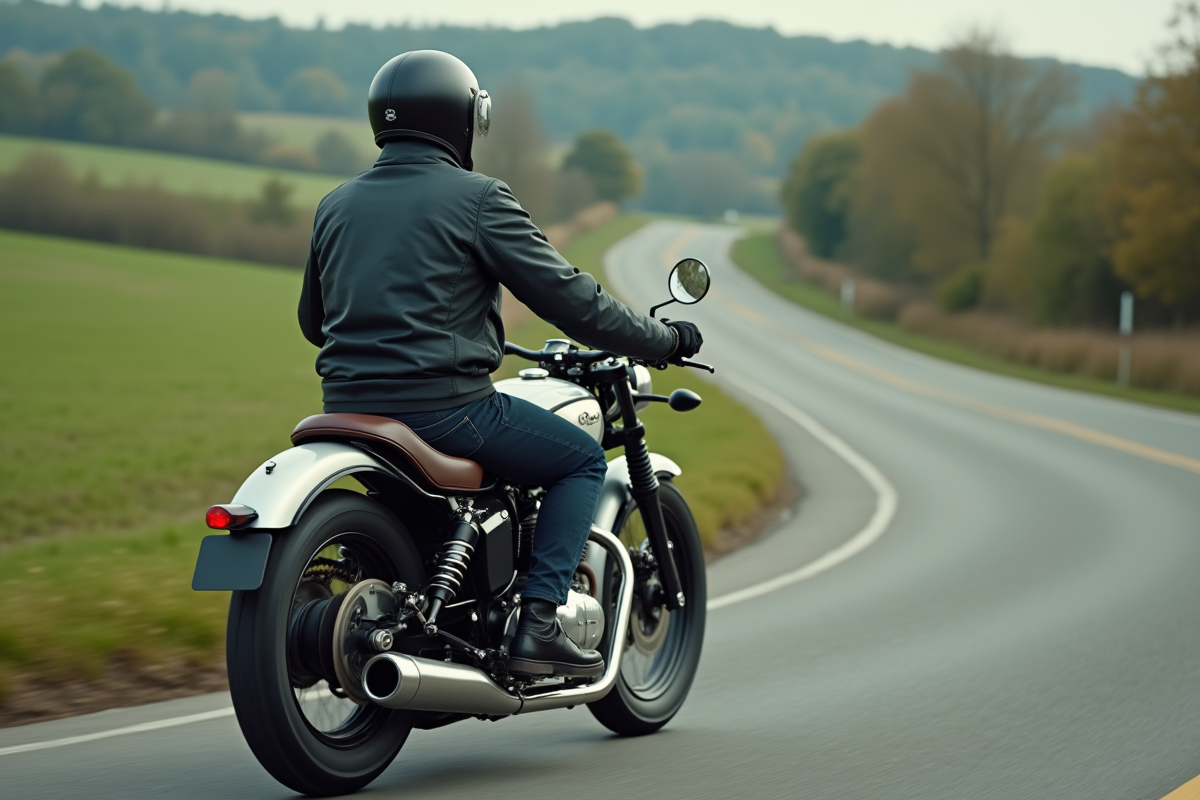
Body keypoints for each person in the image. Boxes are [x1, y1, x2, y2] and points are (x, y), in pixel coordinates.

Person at [297, 50, 703, 678]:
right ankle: (538, 624)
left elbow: (313, 324)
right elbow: (570, 298)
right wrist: (661, 339)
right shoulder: (478, 198)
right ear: (460, 120)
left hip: (346, 409)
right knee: (580, 459)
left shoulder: (336, 204)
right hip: (446, 411)